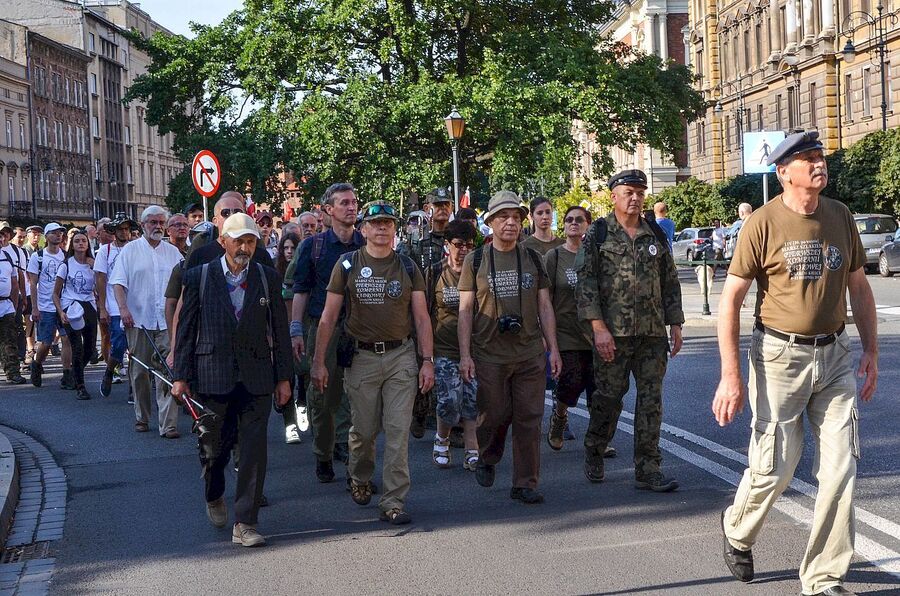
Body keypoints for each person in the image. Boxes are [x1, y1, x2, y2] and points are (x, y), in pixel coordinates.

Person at [712, 131, 877, 596]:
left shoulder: (840, 216)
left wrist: (871, 350)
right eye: (807, 159)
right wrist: (730, 376)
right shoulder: (761, 224)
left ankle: (824, 577)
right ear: (783, 172)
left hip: (836, 355)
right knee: (776, 467)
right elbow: (730, 302)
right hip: (779, 357)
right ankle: (738, 529)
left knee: (841, 468)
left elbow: (860, 288)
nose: (818, 164)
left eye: (820, 156)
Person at [311, 201, 434, 525]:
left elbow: (422, 319)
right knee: (363, 431)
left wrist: (427, 362)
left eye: (388, 223)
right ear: (363, 229)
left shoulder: (408, 267)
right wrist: (319, 363)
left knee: (397, 431)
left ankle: (393, 501)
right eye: (375, 223)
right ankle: (361, 476)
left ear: (395, 229)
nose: (382, 228)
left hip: (400, 357)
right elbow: (328, 317)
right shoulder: (347, 264)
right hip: (362, 358)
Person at [173, 213, 292, 547]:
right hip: (213, 376)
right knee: (215, 450)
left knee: (254, 450)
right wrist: (180, 376)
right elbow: (186, 329)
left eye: (250, 240)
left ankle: (246, 523)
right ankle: (214, 493)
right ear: (222, 241)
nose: (244, 247)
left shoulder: (267, 277)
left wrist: (284, 378)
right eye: (238, 240)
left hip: (256, 377)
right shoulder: (199, 276)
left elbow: (280, 332)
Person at [576, 169, 684, 491]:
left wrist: (675, 323)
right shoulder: (598, 233)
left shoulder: (655, 232)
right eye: (629, 192)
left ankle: (648, 468)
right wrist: (598, 328)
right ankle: (595, 448)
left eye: (640, 192)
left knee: (651, 401)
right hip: (614, 333)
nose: (635, 198)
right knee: (609, 397)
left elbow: (670, 280)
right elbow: (586, 284)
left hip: (651, 334)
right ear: (614, 196)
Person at [458, 191, 562, 505]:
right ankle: (488, 456)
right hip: (490, 354)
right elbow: (465, 310)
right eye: (503, 217)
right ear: (489, 222)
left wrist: (553, 349)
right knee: (493, 415)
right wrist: (465, 355)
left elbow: (545, 306)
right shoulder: (475, 259)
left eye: (516, 217)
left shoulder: (532, 258)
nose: (511, 223)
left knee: (530, 417)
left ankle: (525, 483)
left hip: (529, 352)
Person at [291, 183, 364, 482]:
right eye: (344, 202)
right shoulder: (313, 246)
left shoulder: (367, 242)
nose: (351, 207)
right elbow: (301, 291)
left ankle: (348, 452)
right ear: (328, 210)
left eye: (354, 202)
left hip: (360, 329)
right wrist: (296, 329)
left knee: (356, 397)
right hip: (323, 329)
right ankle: (323, 453)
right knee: (322, 396)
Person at [544, 206, 615, 458]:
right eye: (569, 220)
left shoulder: (598, 255)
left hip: (595, 332)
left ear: (587, 225)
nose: (574, 223)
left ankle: (597, 440)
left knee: (599, 389)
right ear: (563, 225)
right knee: (570, 381)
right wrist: (548, 339)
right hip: (566, 332)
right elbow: (546, 300)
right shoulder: (554, 257)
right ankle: (560, 417)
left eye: (579, 220)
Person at [110, 206, 184, 437]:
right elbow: (118, 283)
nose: (158, 227)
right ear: (143, 225)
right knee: (140, 372)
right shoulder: (130, 251)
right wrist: (123, 309)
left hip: (166, 323)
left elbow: (184, 286)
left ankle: (168, 424)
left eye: (161, 222)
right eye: (153, 222)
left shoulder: (174, 253)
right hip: (139, 321)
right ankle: (142, 416)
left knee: (167, 371)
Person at [426, 219, 479, 470]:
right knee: (449, 399)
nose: (464, 250)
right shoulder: (434, 271)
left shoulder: (480, 270)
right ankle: (442, 438)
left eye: (469, 245)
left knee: (471, 397)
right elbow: (424, 313)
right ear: (447, 245)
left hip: (475, 347)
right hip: (444, 348)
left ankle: (472, 446)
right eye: (458, 245)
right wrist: (424, 355)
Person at [26, 223, 74, 389]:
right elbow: (33, 284)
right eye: (54, 233)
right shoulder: (38, 257)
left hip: (63, 305)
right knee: (46, 343)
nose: (58, 235)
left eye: (60, 232)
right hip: (45, 306)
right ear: (46, 237)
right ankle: (37, 364)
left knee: (66, 338)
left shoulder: (67, 256)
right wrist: (34, 308)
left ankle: (67, 374)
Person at [95, 213, 137, 397]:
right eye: (120, 228)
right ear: (113, 231)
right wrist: (103, 307)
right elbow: (101, 278)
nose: (124, 232)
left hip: (135, 304)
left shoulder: (135, 249)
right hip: (114, 304)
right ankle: (110, 370)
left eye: (127, 228)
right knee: (119, 343)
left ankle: (133, 388)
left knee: (136, 348)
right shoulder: (106, 251)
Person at [51, 228, 96, 400]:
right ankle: (80, 386)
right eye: (77, 241)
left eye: (83, 241)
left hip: (89, 306)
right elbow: (55, 293)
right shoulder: (66, 264)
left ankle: (76, 372)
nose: (80, 243)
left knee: (90, 347)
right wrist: (61, 311)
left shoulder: (93, 263)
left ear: (88, 243)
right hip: (71, 307)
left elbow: (101, 285)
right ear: (72, 244)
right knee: (77, 346)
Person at [275, 231, 303, 445]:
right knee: (286, 378)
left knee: (304, 375)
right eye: (285, 248)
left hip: (301, 331)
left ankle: (302, 406)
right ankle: (289, 425)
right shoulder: (274, 273)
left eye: (292, 248)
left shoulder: (303, 271)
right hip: (280, 332)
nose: (289, 251)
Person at [0, 238, 24, 384]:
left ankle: (13, 372)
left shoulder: (8, 257)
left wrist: (14, 306)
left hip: (5, 304)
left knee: (10, 340)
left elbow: (15, 284)